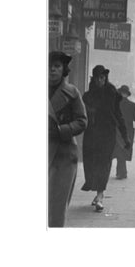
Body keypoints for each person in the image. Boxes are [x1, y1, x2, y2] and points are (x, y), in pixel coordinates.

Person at [81, 65, 130, 211]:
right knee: (91, 164)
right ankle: (97, 192)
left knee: (104, 164)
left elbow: (118, 116)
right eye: (97, 78)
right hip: (91, 135)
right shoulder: (87, 96)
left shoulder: (112, 94)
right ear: (94, 78)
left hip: (107, 135)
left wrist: (125, 137)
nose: (100, 80)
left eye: (102, 77)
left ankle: (100, 195)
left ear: (105, 78)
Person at [48, 51, 87, 227]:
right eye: (49, 66)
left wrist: (62, 130)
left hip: (63, 154)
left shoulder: (72, 93)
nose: (52, 70)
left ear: (63, 69)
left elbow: (82, 121)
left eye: (56, 66)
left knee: (56, 206)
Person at [112, 85, 135, 179]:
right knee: (124, 150)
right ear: (127, 95)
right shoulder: (132, 105)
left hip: (117, 130)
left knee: (119, 150)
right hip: (128, 130)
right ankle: (122, 172)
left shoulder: (115, 104)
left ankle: (121, 172)